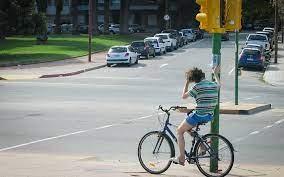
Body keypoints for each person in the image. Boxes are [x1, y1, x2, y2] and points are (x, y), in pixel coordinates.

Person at [171, 67, 220, 166]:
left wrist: (187, 83)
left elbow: (184, 96)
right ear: (203, 76)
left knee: (180, 131)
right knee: (188, 126)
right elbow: (219, 84)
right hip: (209, 115)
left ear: (193, 80)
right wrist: (215, 73)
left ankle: (181, 158)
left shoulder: (197, 87)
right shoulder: (213, 85)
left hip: (199, 115)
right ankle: (202, 144)